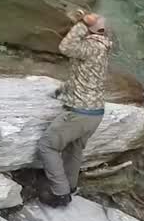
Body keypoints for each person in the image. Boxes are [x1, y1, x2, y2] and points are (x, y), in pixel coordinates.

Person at [38, 11, 112, 207]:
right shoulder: (102, 48)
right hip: (95, 114)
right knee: (74, 149)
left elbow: (65, 47)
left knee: (47, 145)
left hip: (79, 113)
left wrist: (82, 23)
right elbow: (83, 75)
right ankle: (70, 186)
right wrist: (62, 90)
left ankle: (60, 193)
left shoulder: (90, 46)